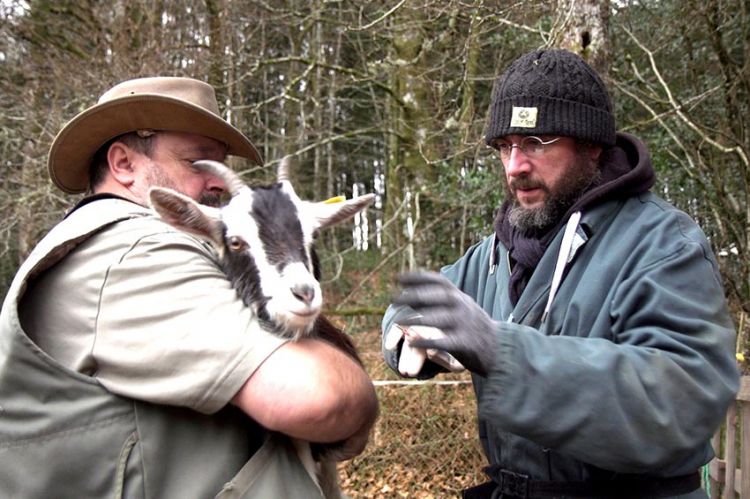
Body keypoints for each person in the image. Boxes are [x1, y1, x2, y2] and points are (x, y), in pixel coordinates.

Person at [382, 49, 739, 498]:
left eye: (537, 142)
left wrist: (500, 351)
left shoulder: (663, 245)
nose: (516, 166)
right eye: (505, 145)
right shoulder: (496, 252)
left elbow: (678, 405)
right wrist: (406, 335)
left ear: (591, 145)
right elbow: (411, 304)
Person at [0, 76, 378, 498]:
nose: (219, 181)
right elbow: (318, 399)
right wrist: (354, 389)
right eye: (197, 162)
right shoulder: (133, 252)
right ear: (123, 164)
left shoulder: (183, 254)